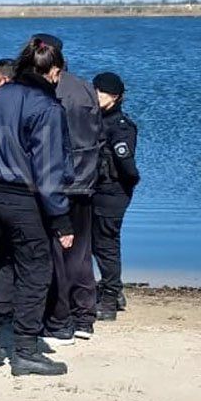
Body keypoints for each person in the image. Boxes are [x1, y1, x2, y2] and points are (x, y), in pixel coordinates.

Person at [0, 36, 74, 377]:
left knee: (12, 263)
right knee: (37, 271)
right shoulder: (47, 107)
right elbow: (49, 168)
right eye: (59, 75)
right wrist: (62, 218)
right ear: (53, 71)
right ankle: (25, 350)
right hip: (22, 195)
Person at [42, 33, 103, 343]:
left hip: (62, 181)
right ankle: (84, 317)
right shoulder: (86, 88)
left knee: (58, 254)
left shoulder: (53, 92)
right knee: (80, 253)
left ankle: (62, 318)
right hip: (86, 179)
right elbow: (97, 133)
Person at [91, 72, 139, 320]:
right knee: (91, 243)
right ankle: (114, 291)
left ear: (117, 96)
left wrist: (127, 185)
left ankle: (109, 300)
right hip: (93, 190)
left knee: (106, 245)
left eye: (104, 92)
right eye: (96, 90)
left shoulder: (121, 126)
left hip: (112, 192)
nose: (98, 95)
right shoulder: (93, 120)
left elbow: (126, 164)